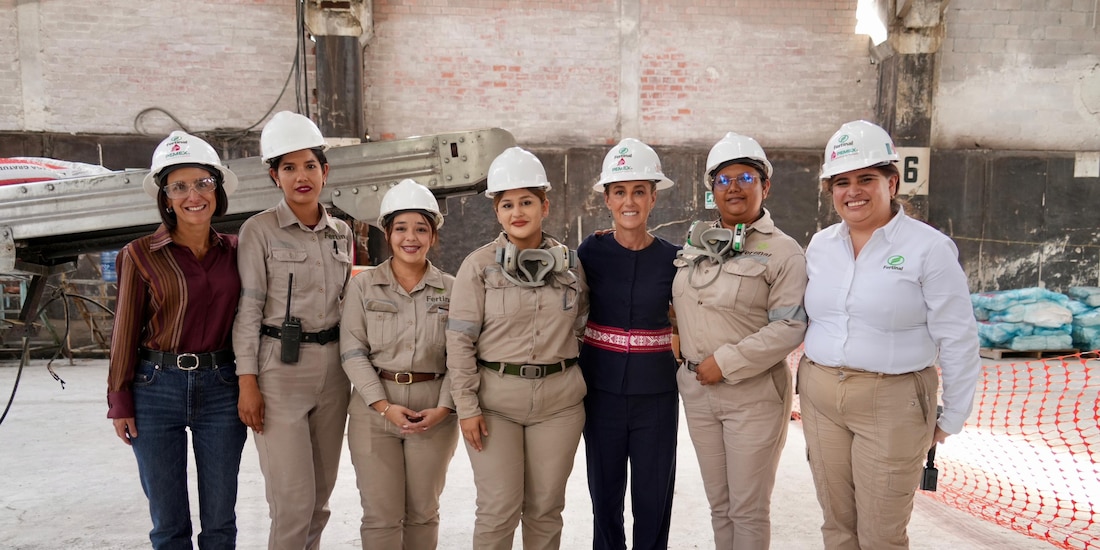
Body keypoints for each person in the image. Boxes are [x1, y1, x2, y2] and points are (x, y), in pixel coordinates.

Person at [801, 120, 981, 550]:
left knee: (881, 534)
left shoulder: (929, 248)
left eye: (867, 178)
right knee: (837, 527)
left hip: (893, 402)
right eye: (842, 182)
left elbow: (958, 336)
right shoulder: (820, 245)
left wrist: (952, 415)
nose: (853, 191)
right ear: (831, 190)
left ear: (892, 182)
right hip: (822, 397)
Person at [107, 130, 246, 549]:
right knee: (168, 522)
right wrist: (120, 400)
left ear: (217, 190)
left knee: (221, 519)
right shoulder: (139, 254)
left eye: (203, 183)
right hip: (155, 388)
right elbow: (124, 331)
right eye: (179, 187)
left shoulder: (240, 250)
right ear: (165, 198)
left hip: (223, 387)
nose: (193, 195)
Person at [446, 146, 589, 549]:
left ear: (545, 206)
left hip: (559, 405)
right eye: (506, 204)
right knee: (498, 509)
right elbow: (459, 341)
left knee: (545, 509)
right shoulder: (478, 266)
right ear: (497, 212)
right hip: (495, 404)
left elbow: (582, 322)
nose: (517, 211)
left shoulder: (571, 265)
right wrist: (468, 406)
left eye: (526, 201)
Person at [672, 132, 807, 549]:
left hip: (752, 395)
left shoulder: (783, 252)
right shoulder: (697, 245)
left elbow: (790, 327)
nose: (734, 187)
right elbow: (683, 300)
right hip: (697, 391)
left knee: (747, 508)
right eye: (724, 179)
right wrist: (676, 330)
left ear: (765, 186)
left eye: (745, 177)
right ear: (712, 191)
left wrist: (725, 362)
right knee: (719, 504)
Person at [232, 111, 353, 550]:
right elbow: (248, 309)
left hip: (334, 373)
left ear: (325, 171)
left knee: (320, 502)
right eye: (288, 167)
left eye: (309, 165)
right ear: (273, 176)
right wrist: (248, 381)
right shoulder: (258, 231)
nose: (301, 176)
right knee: (292, 503)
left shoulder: (341, 232)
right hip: (279, 373)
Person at [340, 179, 459, 549]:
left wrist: (443, 408)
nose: (412, 237)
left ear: (433, 236)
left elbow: (462, 356)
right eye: (401, 228)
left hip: (435, 409)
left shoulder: (454, 290)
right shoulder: (364, 286)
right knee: (380, 515)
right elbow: (352, 351)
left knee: (424, 510)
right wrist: (383, 406)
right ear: (387, 234)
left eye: (421, 228)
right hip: (374, 409)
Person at [578, 138, 680, 550]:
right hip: (600, 392)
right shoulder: (591, 251)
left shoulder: (676, 258)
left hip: (656, 395)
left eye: (639, 191)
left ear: (654, 197)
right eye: (620, 191)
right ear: (607, 198)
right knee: (604, 500)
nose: (630, 201)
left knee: (653, 500)